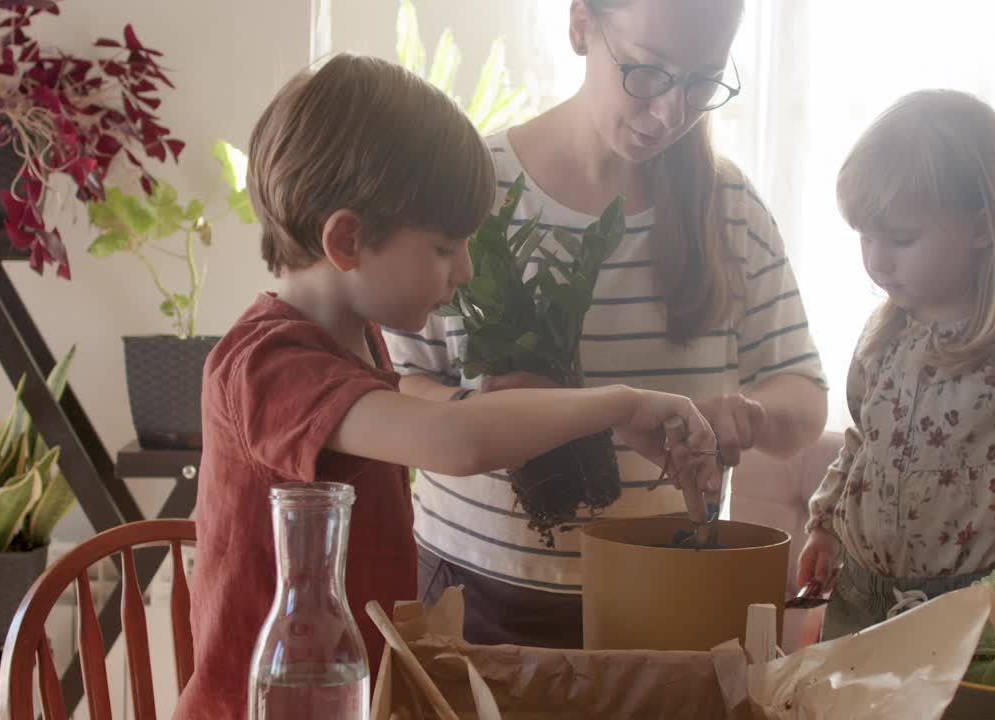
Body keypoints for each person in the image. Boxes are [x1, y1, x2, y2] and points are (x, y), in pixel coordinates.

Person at [173, 53, 718, 719]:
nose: (462, 269)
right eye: (442, 248)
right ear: (346, 240)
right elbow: (453, 442)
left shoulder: (353, 338)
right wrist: (623, 403)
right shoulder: (267, 363)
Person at [388, 0, 828, 648]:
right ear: (579, 25)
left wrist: (751, 416)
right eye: (648, 71)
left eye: (704, 81)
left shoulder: (729, 208)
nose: (672, 112)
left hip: (672, 605)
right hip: (476, 599)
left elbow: (804, 399)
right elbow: (399, 383)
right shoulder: (470, 191)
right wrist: (489, 411)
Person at [797, 89, 995, 641]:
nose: (877, 261)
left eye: (901, 238)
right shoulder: (885, 333)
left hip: (980, 613)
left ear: (979, 227)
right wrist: (825, 524)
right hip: (860, 600)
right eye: (866, 238)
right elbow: (863, 442)